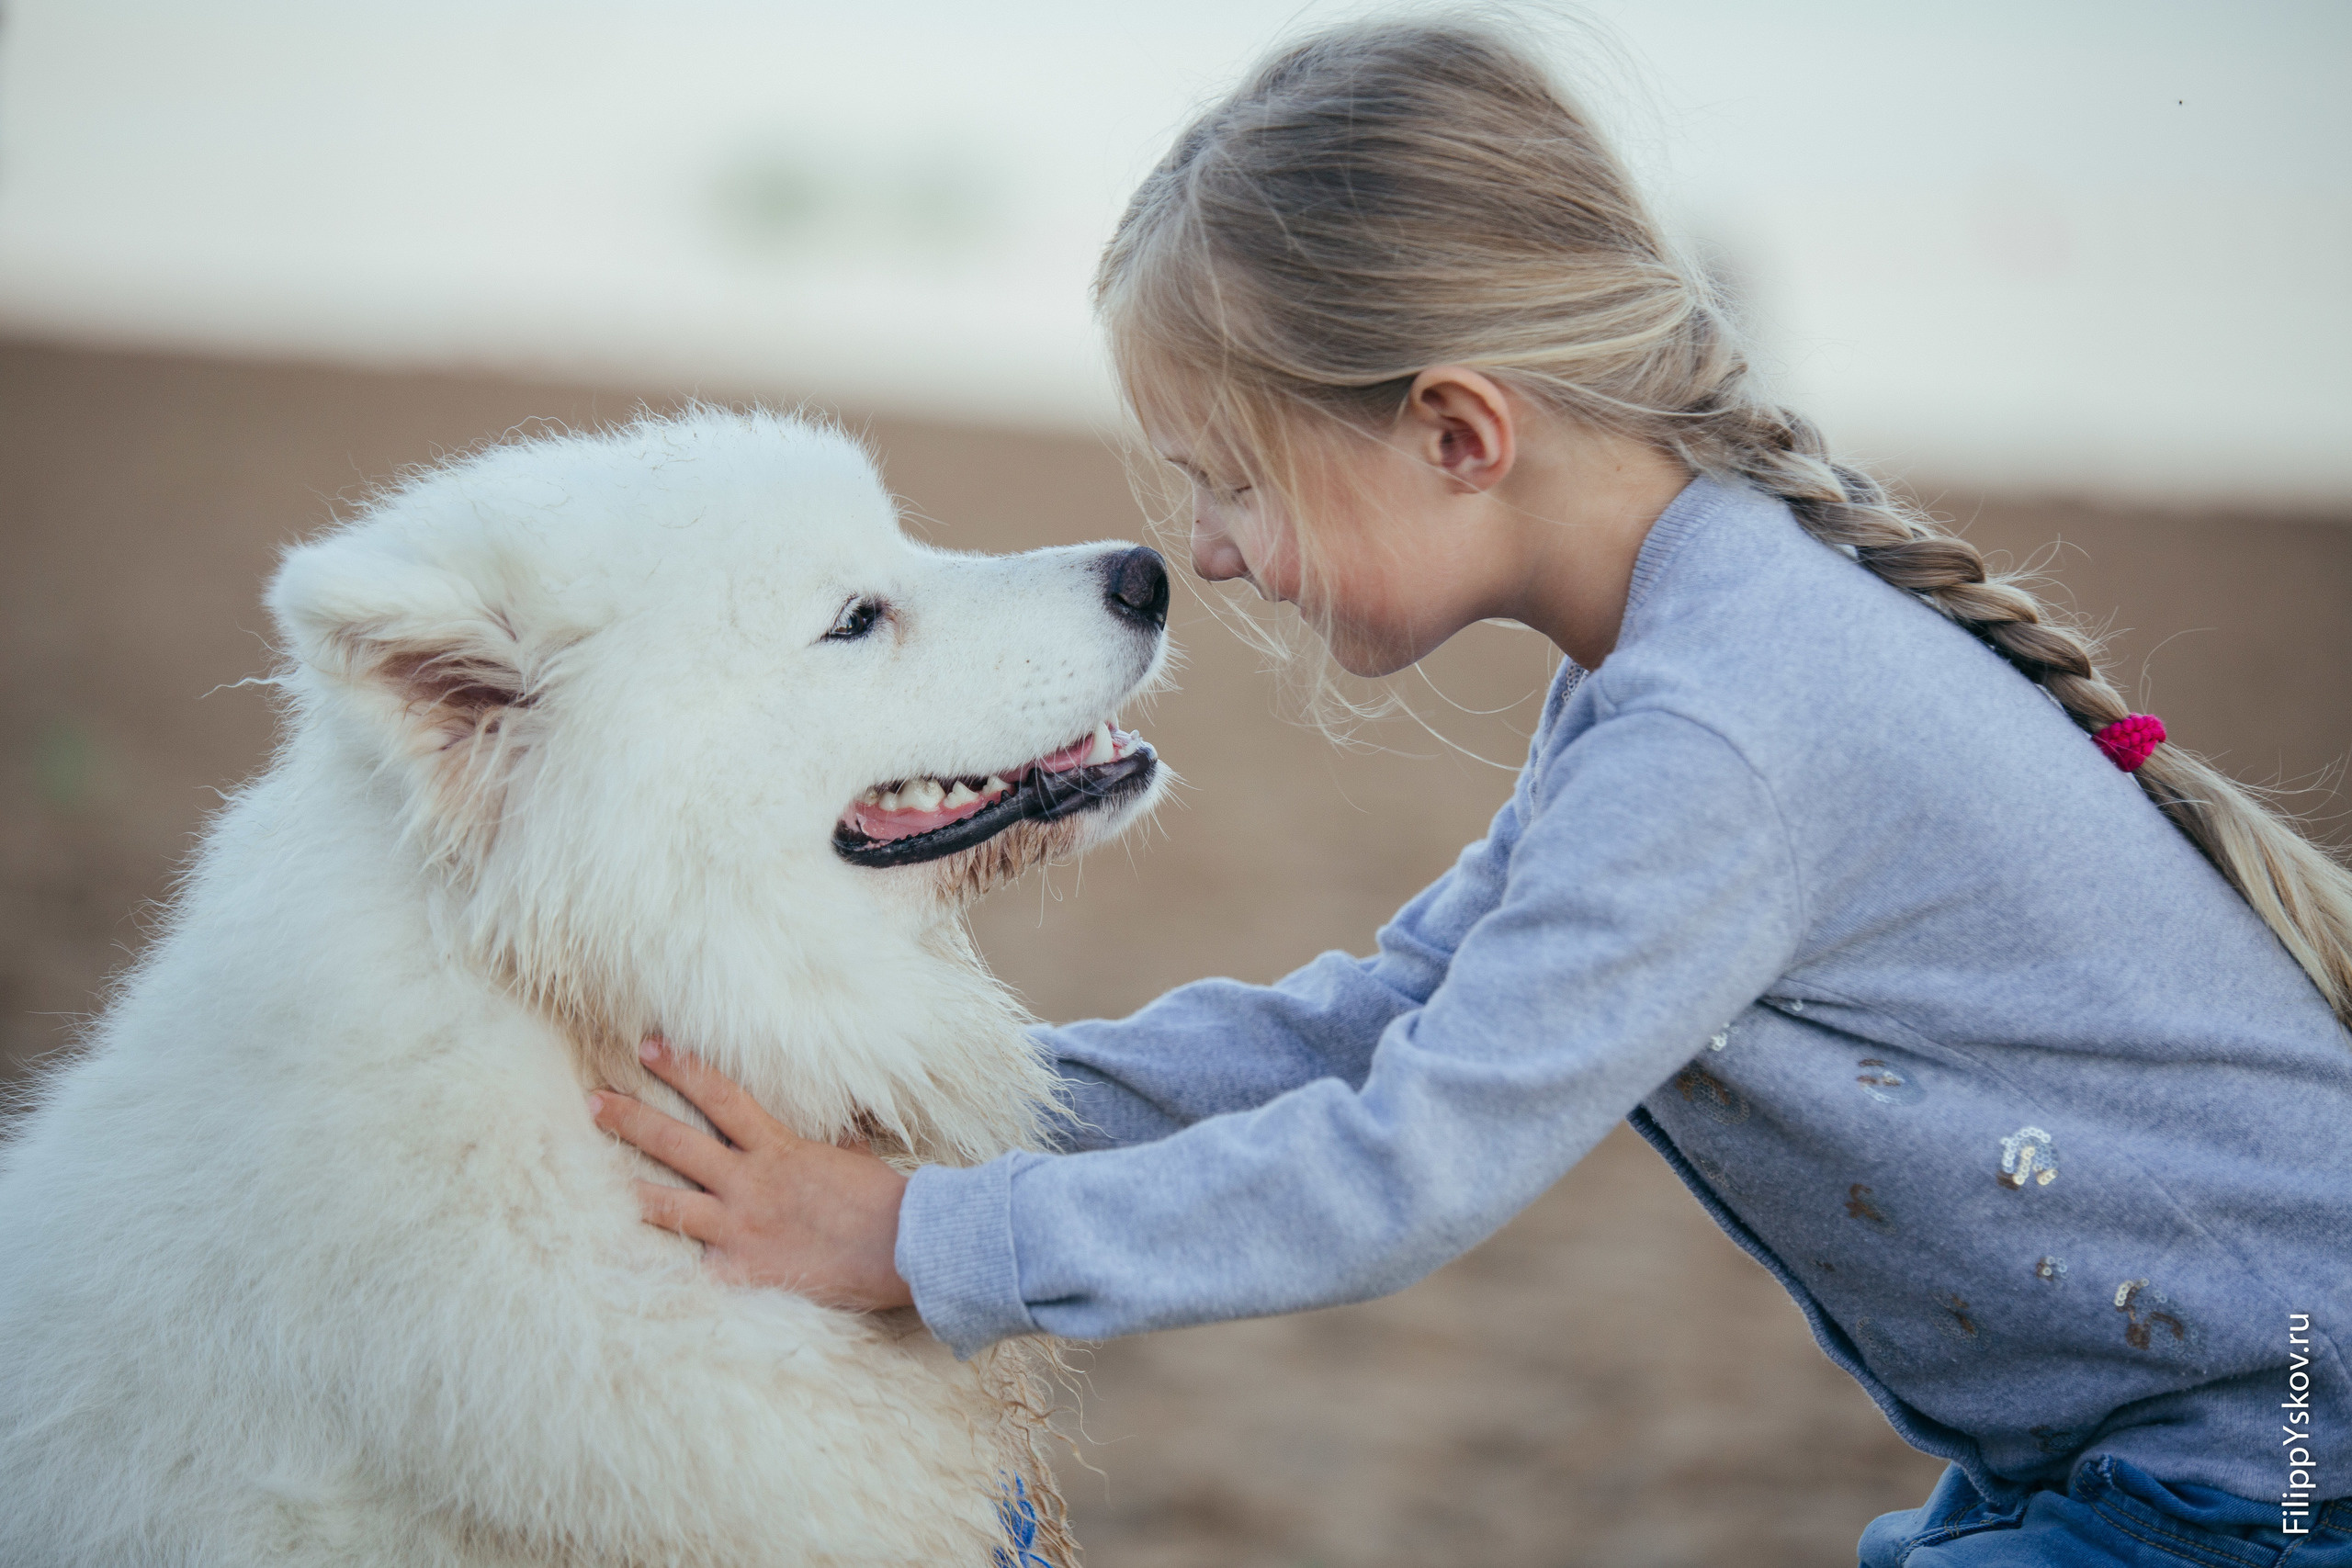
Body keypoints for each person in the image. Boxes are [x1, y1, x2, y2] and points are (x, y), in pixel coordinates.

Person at [588, 17, 2352, 1564]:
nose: (1207, 551)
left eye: (1235, 483)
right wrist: (943, 1106)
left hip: (2271, 1461)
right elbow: (1379, 1021)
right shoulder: (1691, 641)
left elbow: (1399, 1164)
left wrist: (918, 1235)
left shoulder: (1717, 737)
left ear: (1453, 434)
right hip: (2157, 1436)